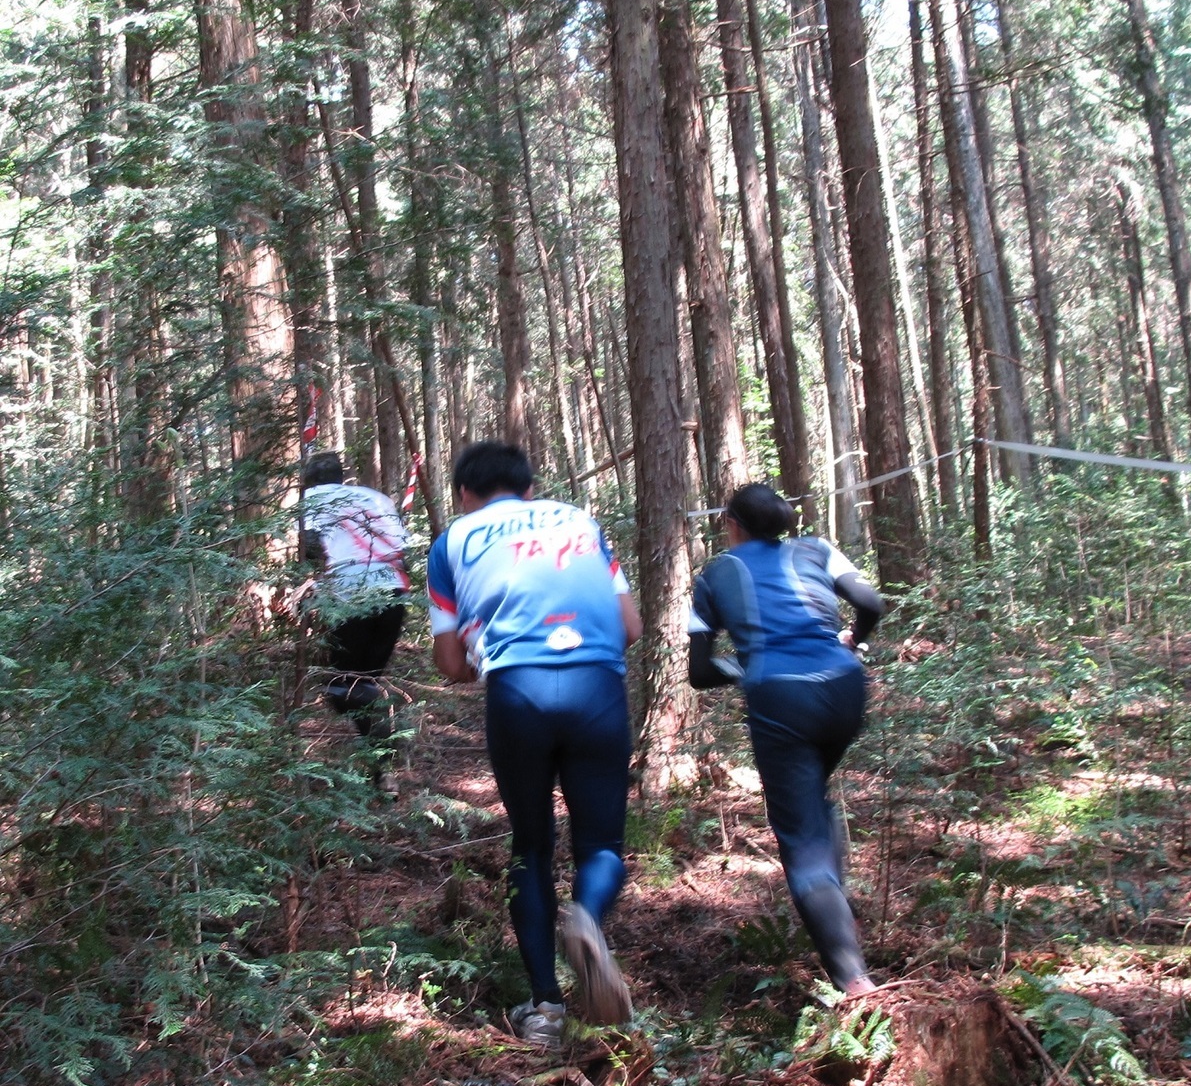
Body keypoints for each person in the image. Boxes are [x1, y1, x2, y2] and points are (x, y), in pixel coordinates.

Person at [427, 440, 642, 1049]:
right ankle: (589, 921)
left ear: (465, 493)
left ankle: (546, 1007)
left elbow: (449, 662)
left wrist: (479, 657)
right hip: (597, 684)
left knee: (530, 847)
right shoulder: (580, 521)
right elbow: (630, 627)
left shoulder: (453, 541)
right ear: (528, 487)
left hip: (517, 692)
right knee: (601, 843)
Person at [687, 483, 885, 998]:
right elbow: (871, 602)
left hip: (780, 698)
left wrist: (747, 665)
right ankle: (838, 917)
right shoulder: (817, 548)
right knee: (813, 803)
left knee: (802, 840)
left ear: (731, 522)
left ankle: (855, 983)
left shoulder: (714, 574)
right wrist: (855, 641)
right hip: (845, 686)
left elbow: (700, 673)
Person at [301, 450, 411, 793]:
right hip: (394, 592)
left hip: (351, 595)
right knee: (362, 681)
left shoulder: (312, 498)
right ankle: (382, 769)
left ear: (310, 480)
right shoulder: (375, 497)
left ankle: (383, 760)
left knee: (342, 687)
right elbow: (399, 543)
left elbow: (310, 549)